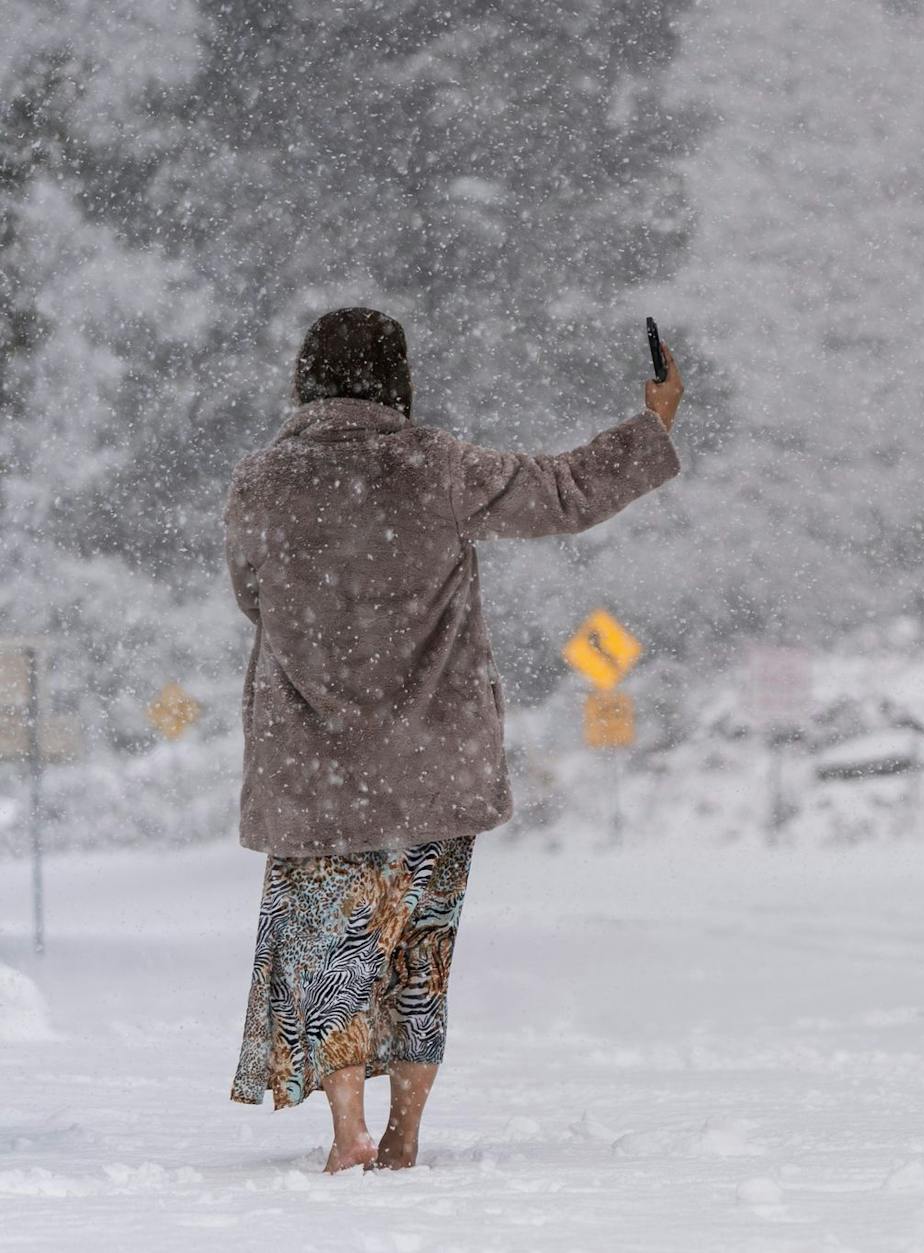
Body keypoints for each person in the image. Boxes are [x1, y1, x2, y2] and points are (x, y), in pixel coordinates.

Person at [224, 307, 683, 1172]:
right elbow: (566, 491)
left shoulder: (262, 480)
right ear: (395, 377)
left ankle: (348, 1129)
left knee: (329, 947)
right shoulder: (436, 466)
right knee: (419, 950)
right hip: (431, 766)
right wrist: (653, 421)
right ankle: (404, 1133)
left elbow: (253, 595)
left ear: (306, 377)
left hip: (316, 770)